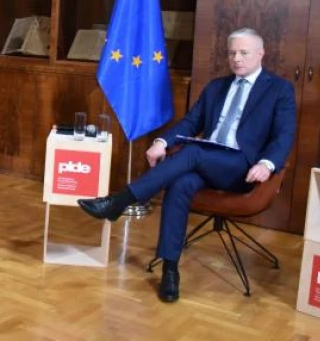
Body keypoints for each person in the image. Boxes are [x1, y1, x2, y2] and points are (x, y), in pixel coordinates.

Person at [78, 28, 296, 302]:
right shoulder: (217, 87)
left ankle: (119, 201)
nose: (237, 59)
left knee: (192, 152)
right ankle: (170, 270)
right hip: (208, 160)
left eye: (244, 53)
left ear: (261, 53)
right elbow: (191, 123)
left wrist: (267, 163)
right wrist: (162, 142)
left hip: (242, 167)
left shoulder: (278, 89)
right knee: (180, 185)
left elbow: (284, 135)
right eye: (232, 53)